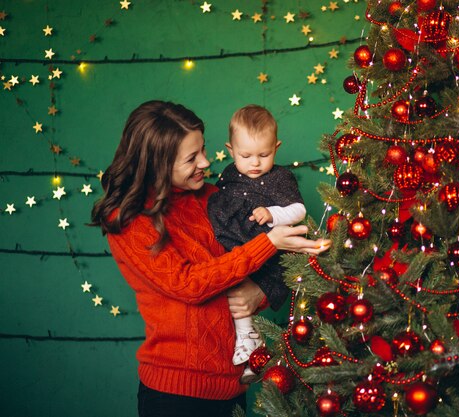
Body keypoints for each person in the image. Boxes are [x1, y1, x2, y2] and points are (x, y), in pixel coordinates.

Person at [90, 100, 330, 417]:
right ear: (157, 164)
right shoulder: (131, 219)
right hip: (176, 394)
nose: (206, 161)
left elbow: (253, 267)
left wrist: (260, 292)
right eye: (192, 158)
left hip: (231, 388)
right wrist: (269, 243)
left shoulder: (212, 197)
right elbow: (189, 284)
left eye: (203, 149)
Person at [207, 105, 306, 380]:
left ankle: (251, 343)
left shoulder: (280, 178)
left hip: (268, 249)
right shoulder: (227, 175)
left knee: (249, 287)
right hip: (238, 243)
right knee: (233, 283)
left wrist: (273, 214)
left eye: (264, 155)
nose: (255, 163)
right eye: (245, 155)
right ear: (230, 150)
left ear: (277, 147)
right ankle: (247, 340)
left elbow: (299, 211)